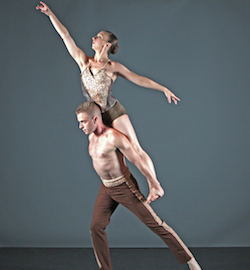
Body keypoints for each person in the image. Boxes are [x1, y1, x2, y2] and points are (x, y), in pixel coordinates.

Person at [36, 1, 181, 177]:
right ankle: (119, 186)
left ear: (106, 45)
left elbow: (139, 79)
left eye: (98, 37)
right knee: (115, 154)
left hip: (113, 111)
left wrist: (163, 88)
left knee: (135, 147)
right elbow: (66, 36)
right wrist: (50, 14)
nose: (93, 38)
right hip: (96, 116)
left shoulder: (113, 67)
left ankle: (154, 184)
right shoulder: (84, 61)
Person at [75, 101, 206, 270]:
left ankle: (191, 262)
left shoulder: (113, 137)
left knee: (156, 224)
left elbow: (137, 158)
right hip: (106, 187)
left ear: (95, 119)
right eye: (79, 122)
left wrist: (154, 183)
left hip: (124, 186)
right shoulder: (91, 137)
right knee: (96, 227)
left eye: (83, 122)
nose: (80, 126)